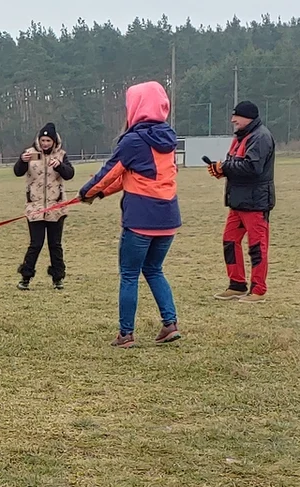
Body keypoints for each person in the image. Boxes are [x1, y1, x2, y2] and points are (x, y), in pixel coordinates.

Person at [78, 81, 182, 348]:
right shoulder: (167, 138)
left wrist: (87, 192)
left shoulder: (134, 140)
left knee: (129, 274)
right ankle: (170, 324)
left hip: (140, 220)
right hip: (168, 218)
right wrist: (100, 194)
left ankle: (126, 334)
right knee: (154, 269)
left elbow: (110, 172)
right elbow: (131, 177)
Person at [207, 101, 276, 303]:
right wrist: (221, 170)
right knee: (230, 242)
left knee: (257, 247)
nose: (233, 120)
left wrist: (225, 167)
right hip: (238, 201)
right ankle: (236, 285)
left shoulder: (261, 137)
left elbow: (252, 167)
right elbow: (236, 164)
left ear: (248, 118)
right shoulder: (241, 137)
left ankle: (258, 290)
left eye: (236, 116)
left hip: (256, 202)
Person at [13, 122, 75, 290]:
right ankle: (25, 278)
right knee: (36, 244)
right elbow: (18, 171)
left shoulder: (61, 155)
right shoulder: (30, 154)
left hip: (56, 207)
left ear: (54, 142)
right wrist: (21, 161)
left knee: (55, 245)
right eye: (42, 140)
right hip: (35, 207)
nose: (45, 143)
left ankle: (57, 278)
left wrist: (60, 166)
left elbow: (69, 174)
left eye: (48, 140)